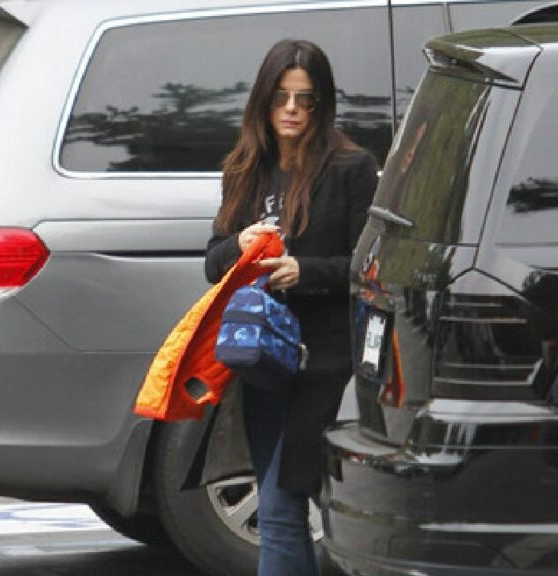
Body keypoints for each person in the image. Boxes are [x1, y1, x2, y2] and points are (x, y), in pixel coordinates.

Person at [204, 39, 378, 576]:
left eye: (305, 100)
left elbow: (370, 265)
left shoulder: (351, 167)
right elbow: (213, 264)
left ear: (323, 105)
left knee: (294, 507)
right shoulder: (245, 169)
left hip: (326, 365)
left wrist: (306, 270)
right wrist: (241, 245)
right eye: (281, 97)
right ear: (263, 99)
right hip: (263, 362)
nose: (292, 110)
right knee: (281, 512)